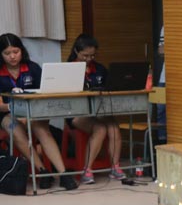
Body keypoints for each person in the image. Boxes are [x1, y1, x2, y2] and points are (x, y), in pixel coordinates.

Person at [0, 33, 78, 190]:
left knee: (41, 129)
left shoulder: (32, 68)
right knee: (16, 130)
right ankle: (43, 170)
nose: (12, 56)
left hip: (34, 112)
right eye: (7, 53)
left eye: (15, 52)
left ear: (22, 50)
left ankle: (63, 174)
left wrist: (29, 114)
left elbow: (45, 93)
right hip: (7, 114)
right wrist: (17, 110)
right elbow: (1, 106)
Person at [67, 34, 125, 183]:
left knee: (113, 127)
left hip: (99, 111)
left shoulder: (99, 69)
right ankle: (87, 170)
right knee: (100, 129)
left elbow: (110, 87)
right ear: (76, 51)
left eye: (92, 56)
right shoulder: (68, 69)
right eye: (85, 56)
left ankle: (115, 167)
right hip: (76, 114)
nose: (88, 59)